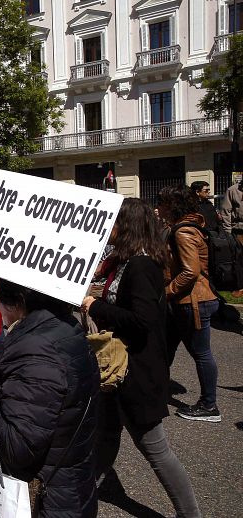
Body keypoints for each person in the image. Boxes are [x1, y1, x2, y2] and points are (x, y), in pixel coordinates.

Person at [0, 280, 100, 517]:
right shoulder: (62, 327)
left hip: (42, 501)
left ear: (16, 302)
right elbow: (28, 408)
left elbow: (15, 447)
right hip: (67, 489)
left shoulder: (38, 349)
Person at [82, 198, 200, 517]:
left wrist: (95, 306)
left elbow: (143, 319)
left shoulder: (141, 265)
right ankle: (80, 495)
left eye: (114, 222)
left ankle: (191, 514)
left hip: (136, 372)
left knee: (155, 448)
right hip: (118, 370)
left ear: (128, 226)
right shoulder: (126, 261)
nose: (108, 228)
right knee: (106, 436)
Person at [159, 185, 221, 423]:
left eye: (163, 204)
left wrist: (166, 292)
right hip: (186, 300)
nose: (160, 208)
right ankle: (157, 390)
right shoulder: (188, 226)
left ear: (173, 206)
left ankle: (209, 405)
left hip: (191, 300)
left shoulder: (183, 232)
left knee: (201, 353)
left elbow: (190, 272)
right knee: (166, 347)